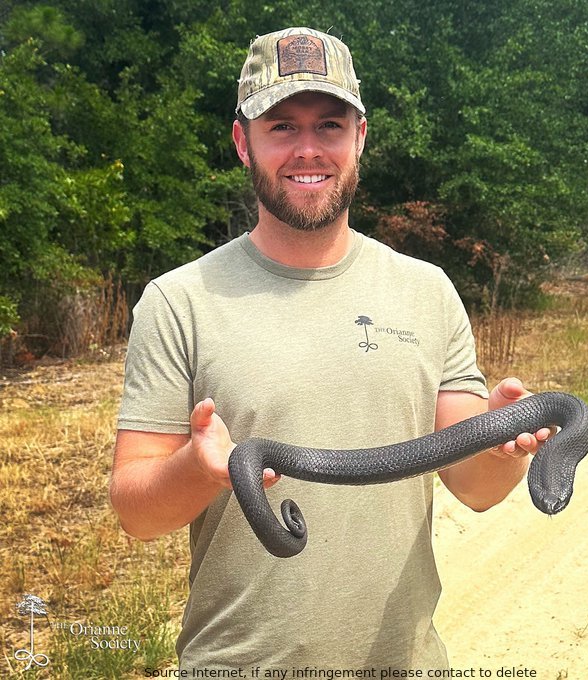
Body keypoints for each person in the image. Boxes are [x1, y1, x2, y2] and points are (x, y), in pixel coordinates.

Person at [110, 27, 552, 673]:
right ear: (243, 143)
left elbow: (476, 488)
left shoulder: (426, 290)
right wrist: (202, 468)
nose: (308, 149)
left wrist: (504, 444)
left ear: (361, 137)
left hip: (406, 663)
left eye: (330, 126)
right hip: (239, 666)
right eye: (282, 127)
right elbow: (138, 515)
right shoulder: (179, 300)